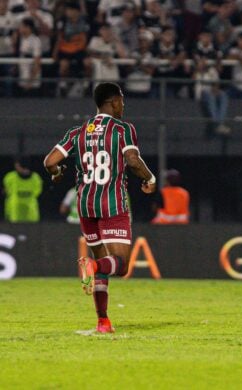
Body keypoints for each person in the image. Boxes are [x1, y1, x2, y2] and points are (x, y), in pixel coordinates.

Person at [43, 82, 156, 333]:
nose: (123, 106)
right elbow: (133, 160)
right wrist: (149, 179)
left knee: (102, 260)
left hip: (85, 205)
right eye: (122, 101)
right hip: (112, 203)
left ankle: (103, 322)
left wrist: (57, 173)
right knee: (120, 265)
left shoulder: (78, 132)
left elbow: (50, 161)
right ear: (114, 101)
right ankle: (93, 268)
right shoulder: (122, 129)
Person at [2, 156, 43, 223]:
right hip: (14, 214)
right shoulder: (10, 177)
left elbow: (37, 192)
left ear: (17, 165)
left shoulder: (36, 179)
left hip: (29, 214)